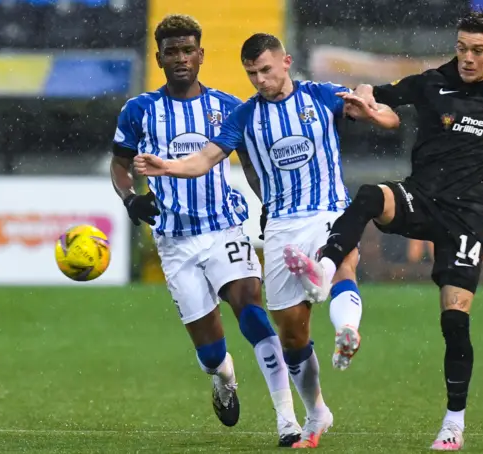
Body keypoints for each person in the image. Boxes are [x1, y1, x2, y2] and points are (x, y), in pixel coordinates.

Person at [282, 10, 483, 451]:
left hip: (466, 221)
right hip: (421, 200)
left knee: (455, 323)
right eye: (461, 48)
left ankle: (453, 424)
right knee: (368, 195)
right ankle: (325, 268)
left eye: (477, 50)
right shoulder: (431, 82)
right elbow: (382, 94)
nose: (467, 58)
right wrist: (363, 94)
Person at [133, 32, 399, 448]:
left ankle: (348, 329)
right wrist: (165, 166)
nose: (260, 80)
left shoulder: (322, 96)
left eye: (266, 70)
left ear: (287, 61)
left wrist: (371, 109)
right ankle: (316, 412)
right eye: (252, 73)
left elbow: (389, 119)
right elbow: (204, 159)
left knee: (343, 262)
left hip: (329, 209)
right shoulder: (244, 116)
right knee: (292, 336)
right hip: (279, 227)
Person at [109, 15, 303, 447]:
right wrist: (130, 199)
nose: (180, 58)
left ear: (201, 55)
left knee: (252, 310)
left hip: (224, 228)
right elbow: (120, 164)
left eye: (187, 50)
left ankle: (288, 420)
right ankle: (223, 378)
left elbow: (252, 164)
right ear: (159, 58)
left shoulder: (229, 107)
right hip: (175, 242)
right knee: (212, 354)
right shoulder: (140, 110)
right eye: (171, 52)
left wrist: (270, 206)